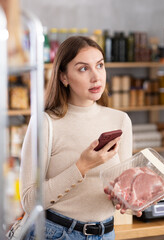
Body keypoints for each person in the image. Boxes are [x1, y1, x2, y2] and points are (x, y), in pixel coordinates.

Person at [20, 36, 135, 240]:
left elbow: (121, 188)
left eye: (100, 65)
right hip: (57, 233)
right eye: (83, 68)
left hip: (107, 233)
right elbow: (29, 201)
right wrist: (81, 166)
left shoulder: (120, 120)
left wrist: (129, 201)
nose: (96, 77)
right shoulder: (45, 122)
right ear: (64, 77)